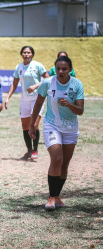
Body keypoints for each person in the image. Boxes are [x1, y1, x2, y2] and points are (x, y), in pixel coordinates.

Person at [29, 56, 84, 211]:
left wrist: (69, 104)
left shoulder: (76, 84)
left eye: (64, 69)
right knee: (57, 158)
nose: (61, 71)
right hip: (51, 126)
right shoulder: (48, 82)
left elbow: (80, 110)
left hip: (71, 129)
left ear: (70, 70)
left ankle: (58, 196)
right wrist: (33, 125)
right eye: (58, 68)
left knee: (65, 163)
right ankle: (51, 198)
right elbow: (38, 103)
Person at [4, 46, 50, 160]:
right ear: (21, 54)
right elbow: (14, 84)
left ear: (32, 54)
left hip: (37, 99)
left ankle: (35, 151)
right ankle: (29, 151)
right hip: (24, 99)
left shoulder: (38, 65)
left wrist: (35, 86)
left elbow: (48, 79)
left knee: (34, 125)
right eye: (24, 52)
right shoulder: (18, 67)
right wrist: (7, 97)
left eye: (28, 52)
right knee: (25, 126)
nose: (26, 54)